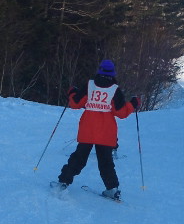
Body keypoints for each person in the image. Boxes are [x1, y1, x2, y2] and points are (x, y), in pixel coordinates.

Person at [50, 59, 140, 200]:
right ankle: (112, 189)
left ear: (99, 70)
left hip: (88, 130)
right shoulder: (114, 90)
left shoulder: (89, 85)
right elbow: (122, 113)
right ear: (113, 73)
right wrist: (133, 103)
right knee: (106, 163)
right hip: (106, 133)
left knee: (78, 158)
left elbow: (75, 104)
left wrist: (72, 92)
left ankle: (63, 182)